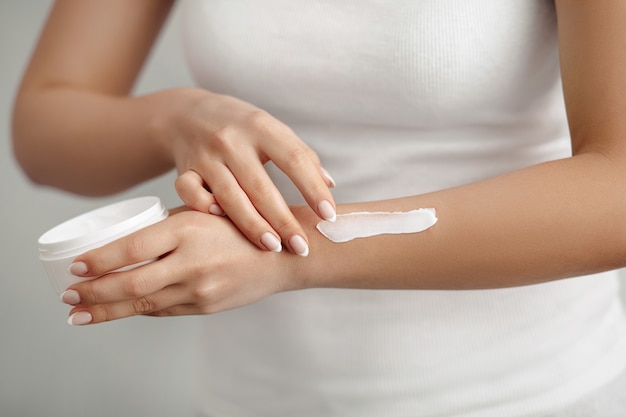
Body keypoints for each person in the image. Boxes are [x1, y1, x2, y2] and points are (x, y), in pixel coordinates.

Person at [12, 0, 626, 416]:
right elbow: (43, 125)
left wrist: (297, 256)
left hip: (529, 398)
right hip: (249, 399)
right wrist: (173, 119)